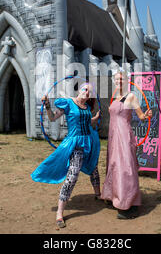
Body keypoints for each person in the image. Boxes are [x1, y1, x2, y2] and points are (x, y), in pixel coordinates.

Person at [31, 83, 101, 228]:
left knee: (93, 167)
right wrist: (48, 106)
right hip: (75, 145)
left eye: (90, 91)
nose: (87, 92)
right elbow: (52, 118)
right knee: (72, 175)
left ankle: (98, 194)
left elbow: (88, 122)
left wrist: (95, 118)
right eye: (85, 89)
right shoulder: (68, 103)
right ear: (79, 90)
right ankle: (59, 212)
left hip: (89, 141)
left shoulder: (87, 108)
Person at [101, 71, 152, 219]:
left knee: (125, 167)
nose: (118, 81)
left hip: (124, 136)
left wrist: (146, 115)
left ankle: (129, 204)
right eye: (116, 79)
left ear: (127, 80)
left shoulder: (131, 96)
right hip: (113, 137)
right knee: (114, 165)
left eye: (121, 79)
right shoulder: (116, 97)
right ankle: (115, 196)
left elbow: (141, 116)